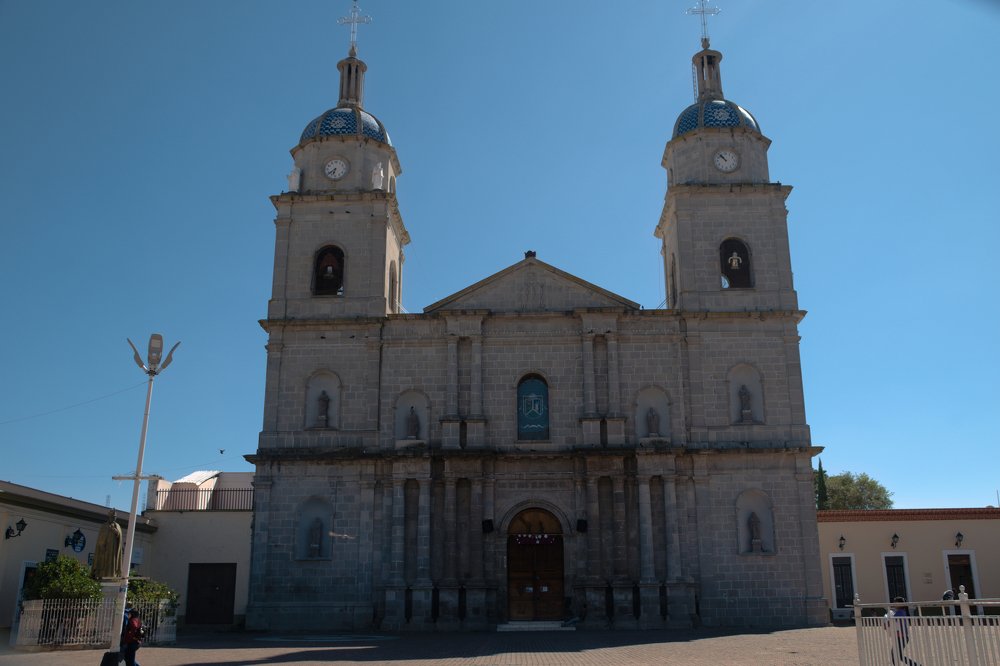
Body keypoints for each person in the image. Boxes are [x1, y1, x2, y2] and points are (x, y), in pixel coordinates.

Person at [887, 596, 918, 666]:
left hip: (901, 637)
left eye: (895, 603)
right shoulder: (902, 612)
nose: (894, 604)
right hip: (902, 637)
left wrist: (887, 617)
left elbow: (891, 621)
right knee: (896, 655)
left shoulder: (900, 612)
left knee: (896, 655)